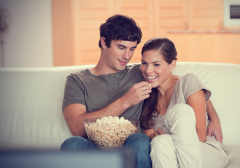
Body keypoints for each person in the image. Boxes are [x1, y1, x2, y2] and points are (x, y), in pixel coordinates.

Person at [60, 14, 223, 168]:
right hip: (97, 154)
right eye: (121, 47)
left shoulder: (141, 72)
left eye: (132, 49)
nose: (127, 56)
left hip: (135, 151)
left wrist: (214, 117)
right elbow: (77, 127)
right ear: (104, 42)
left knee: (139, 140)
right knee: (71, 144)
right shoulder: (77, 80)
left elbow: (178, 81)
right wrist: (126, 101)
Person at [140, 37, 228, 168]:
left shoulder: (187, 82)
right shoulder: (144, 95)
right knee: (160, 142)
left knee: (180, 111)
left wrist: (214, 116)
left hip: (204, 152)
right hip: (168, 155)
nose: (148, 70)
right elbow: (151, 140)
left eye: (156, 64)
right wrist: (160, 139)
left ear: (173, 65)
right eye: (144, 63)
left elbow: (200, 137)